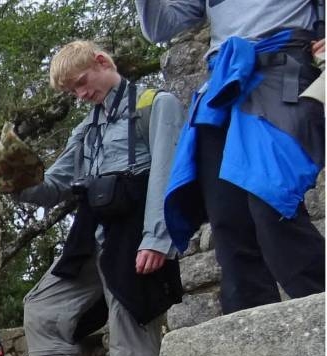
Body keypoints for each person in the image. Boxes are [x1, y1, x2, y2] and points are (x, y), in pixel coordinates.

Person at [0, 41, 186, 356]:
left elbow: (166, 173)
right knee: (42, 310)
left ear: (102, 62)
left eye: (81, 82)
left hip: (134, 236)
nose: (80, 94)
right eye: (72, 90)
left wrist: (157, 238)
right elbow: (55, 185)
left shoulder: (155, 104)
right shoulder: (87, 128)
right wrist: (15, 179)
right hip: (89, 237)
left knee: (131, 325)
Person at [138, 0, 324, 313]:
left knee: (271, 201)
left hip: (283, 67)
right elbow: (161, 27)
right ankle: (253, 340)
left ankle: (320, 305)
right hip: (224, 83)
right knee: (227, 218)